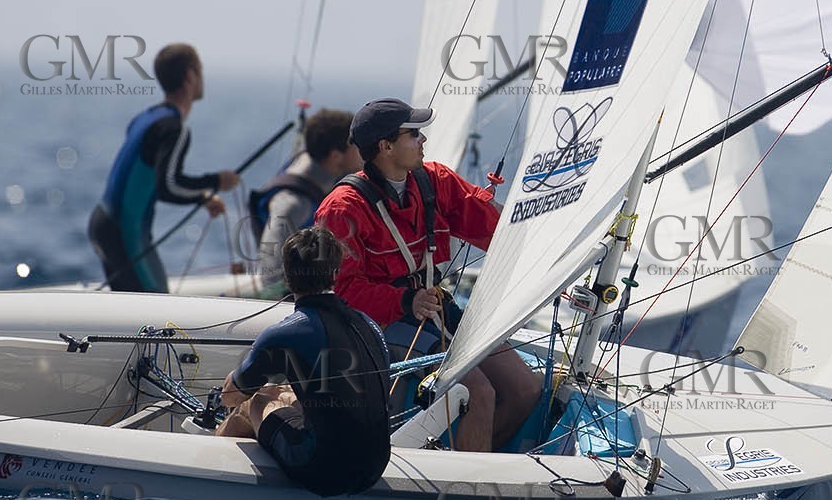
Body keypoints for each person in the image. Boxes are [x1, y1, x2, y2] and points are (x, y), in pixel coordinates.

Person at [314, 98, 538, 453]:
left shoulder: (434, 180)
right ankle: (463, 495)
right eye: (414, 134)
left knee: (526, 389)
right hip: (380, 323)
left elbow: (491, 225)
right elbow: (340, 293)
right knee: (478, 393)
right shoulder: (343, 209)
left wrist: (549, 242)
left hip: (432, 307)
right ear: (386, 146)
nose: (423, 141)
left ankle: (473, 468)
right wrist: (405, 300)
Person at [217, 227, 392, 497]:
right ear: (335, 274)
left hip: (321, 471)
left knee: (254, 401)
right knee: (285, 393)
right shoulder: (370, 325)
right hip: (375, 467)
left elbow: (230, 397)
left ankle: (215, 476)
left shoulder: (285, 333)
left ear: (287, 277)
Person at [87, 43, 238, 292]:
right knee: (154, 305)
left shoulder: (146, 117)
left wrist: (202, 197)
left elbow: (151, 185)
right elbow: (168, 186)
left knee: (138, 306)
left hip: (103, 222)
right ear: (190, 76)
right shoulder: (174, 128)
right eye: (200, 71)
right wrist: (216, 182)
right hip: (124, 231)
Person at [253, 109, 361, 293]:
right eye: (356, 146)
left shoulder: (332, 168)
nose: (362, 151)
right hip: (298, 294)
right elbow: (270, 271)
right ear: (335, 156)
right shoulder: (292, 202)